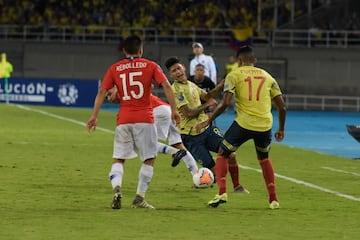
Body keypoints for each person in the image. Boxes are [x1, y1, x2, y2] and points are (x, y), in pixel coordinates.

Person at [86, 35, 180, 210]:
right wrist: (174, 110)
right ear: (141, 50)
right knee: (149, 159)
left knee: (119, 159)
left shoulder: (115, 68)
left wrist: (94, 116)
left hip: (124, 119)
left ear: (124, 50)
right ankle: (139, 198)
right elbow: (166, 86)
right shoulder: (151, 65)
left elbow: (102, 92)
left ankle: (117, 189)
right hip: (145, 118)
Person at [196, 45, 286, 209]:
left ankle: (222, 193)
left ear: (239, 61)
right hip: (265, 125)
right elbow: (282, 107)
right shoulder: (268, 77)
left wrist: (209, 120)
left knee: (223, 153)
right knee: (264, 159)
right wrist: (281, 129)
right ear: (255, 61)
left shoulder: (234, 74)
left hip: (244, 124)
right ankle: (273, 199)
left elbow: (226, 103)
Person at [164, 56, 248, 193]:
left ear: (183, 68)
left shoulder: (191, 85)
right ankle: (215, 187)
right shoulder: (175, 90)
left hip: (207, 130)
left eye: (178, 68)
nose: (178, 72)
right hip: (191, 138)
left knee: (231, 154)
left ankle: (237, 186)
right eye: (174, 71)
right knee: (215, 172)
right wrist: (206, 106)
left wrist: (220, 86)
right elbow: (188, 113)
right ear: (170, 75)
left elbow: (207, 96)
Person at [107, 88, 199, 178]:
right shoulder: (129, 88)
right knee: (178, 144)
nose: (109, 98)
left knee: (144, 142)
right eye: (107, 96)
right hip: (167, 110)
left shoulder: (122, 91)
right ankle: (198, 176)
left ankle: (175, 152)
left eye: (109, 94)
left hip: (157, 111)